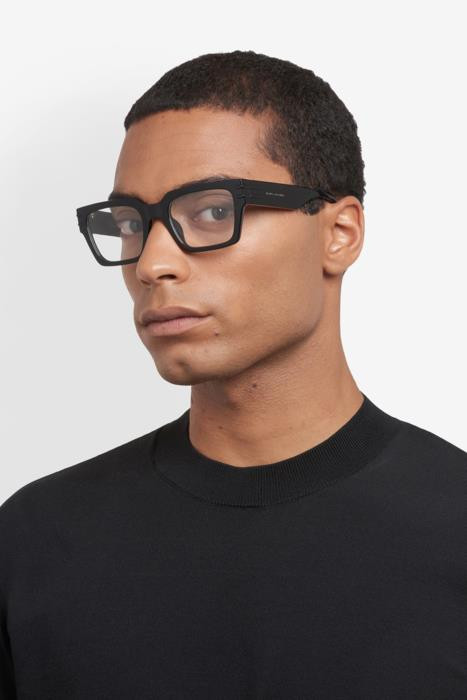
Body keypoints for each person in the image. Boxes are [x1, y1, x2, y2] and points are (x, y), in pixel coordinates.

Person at [1, 50, 466, 699]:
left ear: (339, 232)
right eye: (132, 224)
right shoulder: (33, 543)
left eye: (213, 211)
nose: (151, 264)